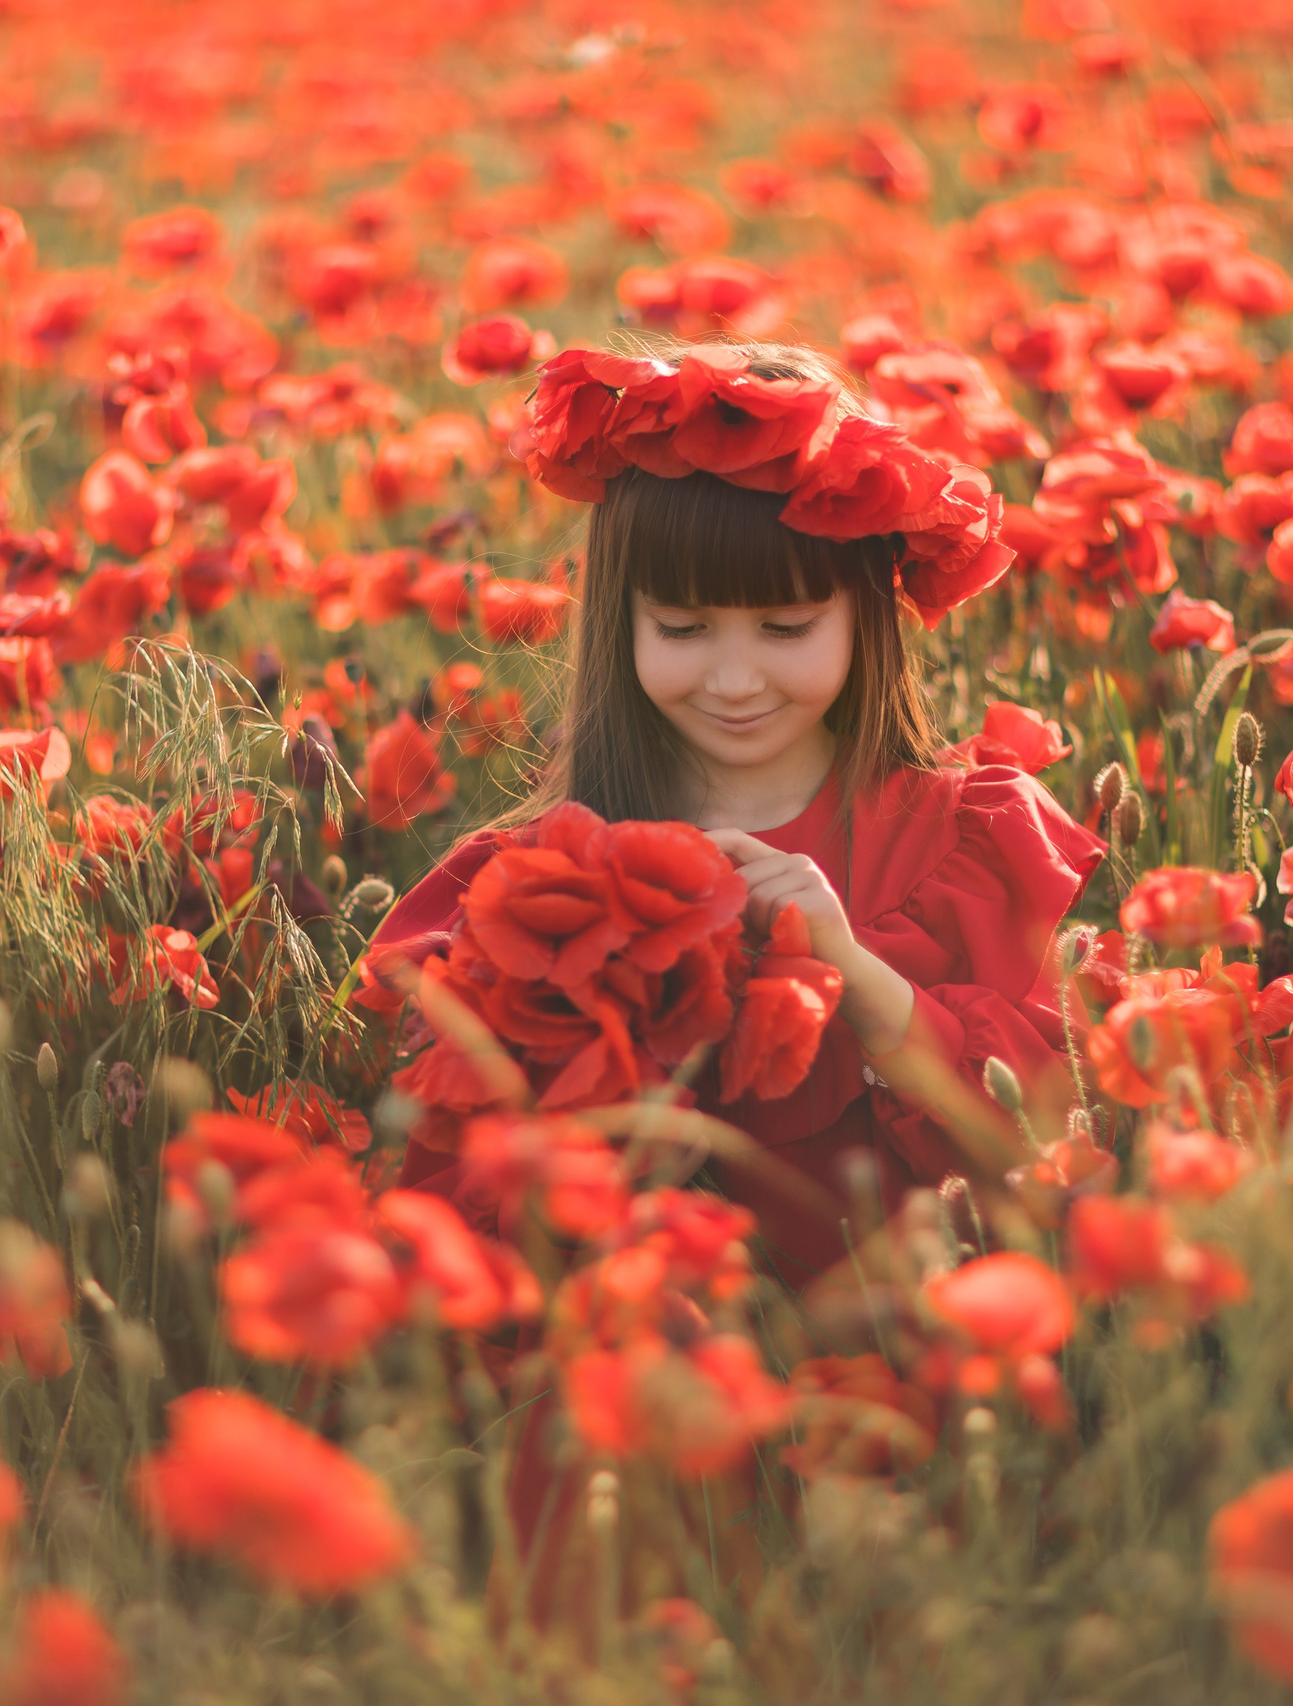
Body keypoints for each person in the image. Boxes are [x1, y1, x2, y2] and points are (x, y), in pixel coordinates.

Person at [369, 338, 1104, 1285]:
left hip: (915, 1370)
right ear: (616, 620)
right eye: (680, 628)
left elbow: (1045, 1147)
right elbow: (461, 1214)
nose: (734, 678)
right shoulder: (524, 887)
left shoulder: (961, 843)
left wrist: (859, 978)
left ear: (864, 613)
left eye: (786, 628)